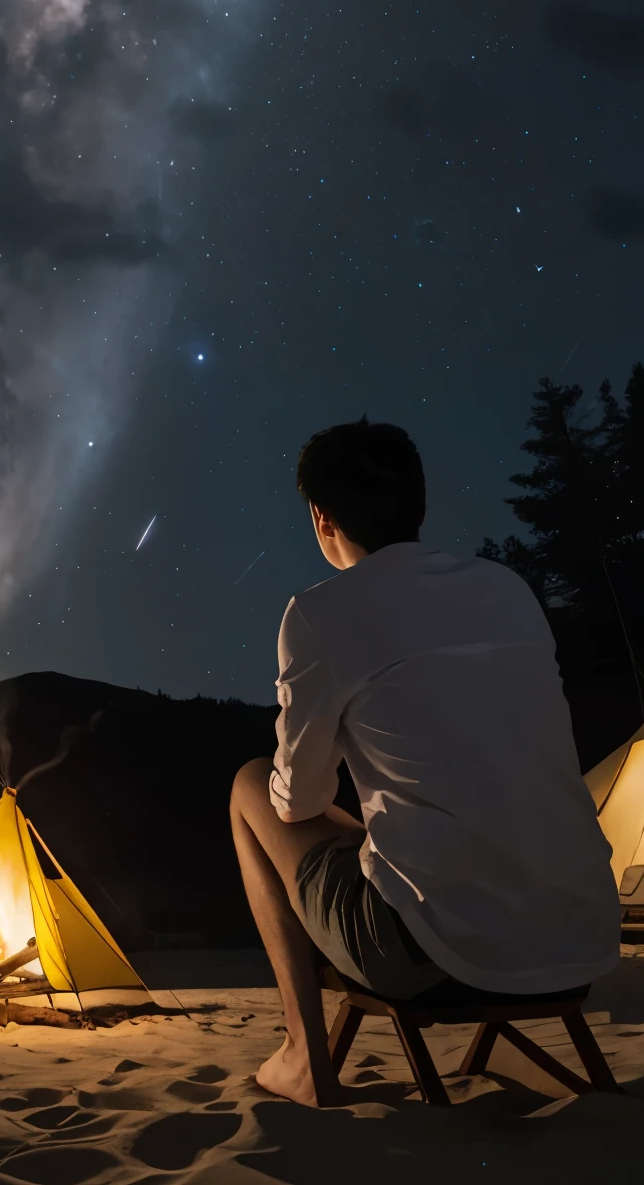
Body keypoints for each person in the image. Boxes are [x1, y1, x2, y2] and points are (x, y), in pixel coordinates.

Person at [230, 414, 620, 1107]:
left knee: (251, 786)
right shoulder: (507, 589)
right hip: (582, 939)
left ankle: (303, 1056)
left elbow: (297, 803)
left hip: (440, 955)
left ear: (323, 519)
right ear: (419, 504)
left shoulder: (320, 614)